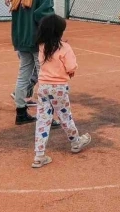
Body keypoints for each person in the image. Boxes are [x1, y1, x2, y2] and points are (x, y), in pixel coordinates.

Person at [32, 14, 91, 168]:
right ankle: (75, 142)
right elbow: (71, 67)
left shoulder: (42, 46)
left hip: (43, 87)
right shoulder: (65, 47)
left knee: (43, 121)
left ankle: (39, 155)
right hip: (59, 87)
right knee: (65, 116)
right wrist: (71, 72)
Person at [10, 0, 56, 125]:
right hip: (38, 42)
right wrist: (54, 39)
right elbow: (46, 20)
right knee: (45, 78)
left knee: (23, 76)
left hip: (22, 41)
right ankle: (47, 115)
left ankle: (21, 112)